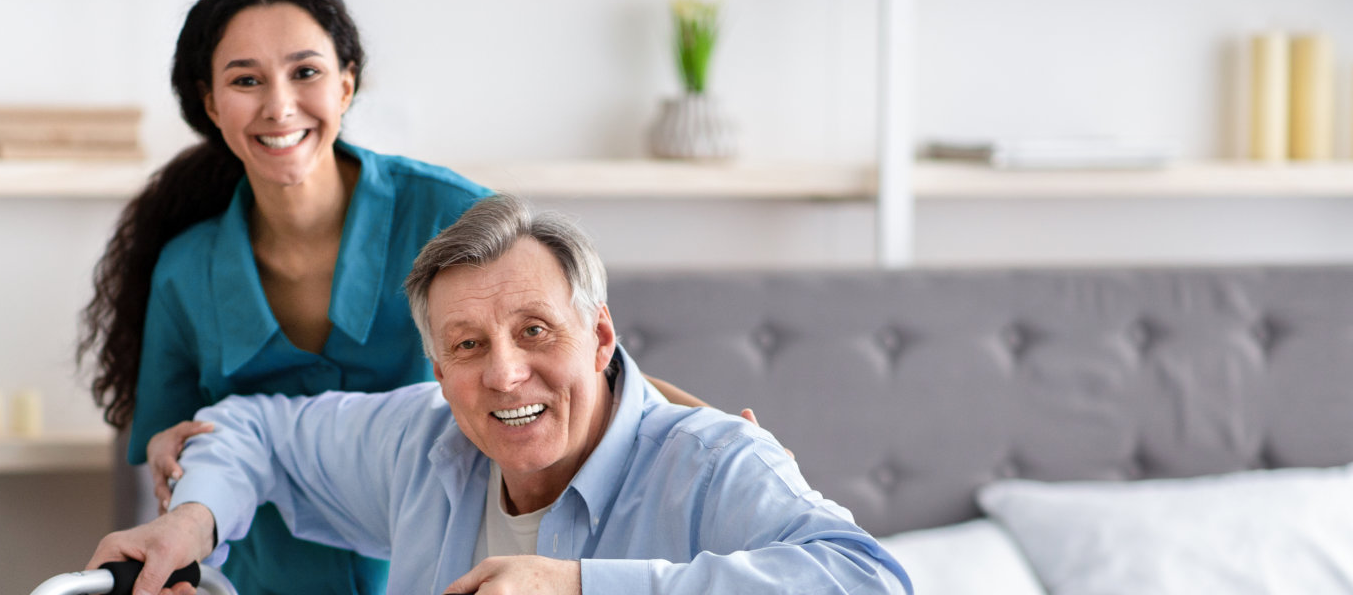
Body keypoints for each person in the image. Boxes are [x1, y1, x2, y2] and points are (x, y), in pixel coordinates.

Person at [78, 0, 717, 594]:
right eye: (246, 81)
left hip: (444, 560)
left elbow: (571, 357)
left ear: (346, 84)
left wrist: (709, 430)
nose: (279, 106)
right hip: (261, 570)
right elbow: (178, 430)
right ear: (211, 103)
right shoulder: (185, 270)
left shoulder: (450, 214)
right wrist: (172, 448)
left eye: (305, 72)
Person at [86, 194, 911, 595]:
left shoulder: (708, 462)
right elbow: (253, 431)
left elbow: (872, 582)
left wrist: (580, 587)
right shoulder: (423, 439)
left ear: (600, 336)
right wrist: (190, 522)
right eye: (469, 347)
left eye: (537, 332)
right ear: (439, 372)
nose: (505, 374)